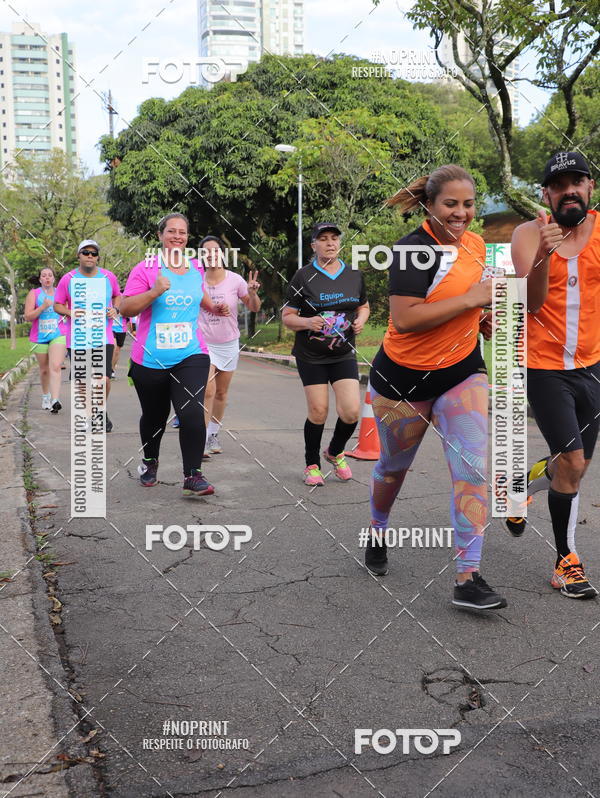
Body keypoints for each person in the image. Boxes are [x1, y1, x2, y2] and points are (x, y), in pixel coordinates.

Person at [364, 164, 506, 611]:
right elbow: (405, 318)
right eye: (451, 204)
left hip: (462, 373)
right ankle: (377, 527)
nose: (461, 213)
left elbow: (469, 306)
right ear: (429, 204)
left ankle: (469, 575)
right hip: (402, 381)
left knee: (472, 468)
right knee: (392, 468)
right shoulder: (411, 250)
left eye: (468, 204)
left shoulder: (477, 245)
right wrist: (472, 300)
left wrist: (482, 320)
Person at [508, 151, 598, 599]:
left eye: (576, 182)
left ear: (589, 188)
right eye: (558, 184)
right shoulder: (527, 234)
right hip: (545, 369)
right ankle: (566, 560)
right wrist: (545, 253)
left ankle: (522, 484)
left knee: (574, 468)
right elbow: (532, 303)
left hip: (592, 369)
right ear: (546, 193)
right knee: (574, 463)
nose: (568, 190)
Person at [119, 213, 229, 496]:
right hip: (150, 358)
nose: (177, 236)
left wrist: (214, 308)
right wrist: (154, 291)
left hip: (191, 354)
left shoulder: (194, 267)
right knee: (155, 417)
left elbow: (199, 294)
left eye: (182, 232)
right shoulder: (145, 269)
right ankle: (149, 461)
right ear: (160, 235)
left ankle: (193, 475)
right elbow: (127, 308)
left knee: (192, 413)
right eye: (171, 231)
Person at [282, 222, 370, 486]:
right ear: (314, 245)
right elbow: (287, 316)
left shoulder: (354, 275)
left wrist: (362, 320)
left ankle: (334, 450)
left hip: (343, 354)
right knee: (319, 411)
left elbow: (364, 306)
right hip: (311, 356)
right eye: (323, 239)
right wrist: (308, 323)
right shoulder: (303, 276)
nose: (330, 243)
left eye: (334, 238)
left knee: (351, 412)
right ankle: (312, 464)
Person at [198, 235, 261, 455]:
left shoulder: (235, 280)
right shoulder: (196, 279)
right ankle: (202, 439)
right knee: (208, 390)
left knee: (221, 394)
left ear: (222, 254)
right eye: (206, 252)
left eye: (215, 251)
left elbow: (253, 307)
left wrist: (252, 294)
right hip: (203, 343)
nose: (211, 256)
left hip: (228, 343)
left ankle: (213, 433)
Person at [54, 240, 121, 431]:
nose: (90, 256)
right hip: (78, 338)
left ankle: (99, 410)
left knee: (103, 380)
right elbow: (57, 304)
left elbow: (118, 295)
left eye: (93, 253)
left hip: (103, 337)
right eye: (85, 252)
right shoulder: (68, 279)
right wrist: (70, 312)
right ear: (79, 256)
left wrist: (114, 308)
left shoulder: (108, 277)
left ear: (98, 257)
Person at [24, 267, 66, 413]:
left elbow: (68, 310)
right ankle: (46, 396)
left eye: (50, 275)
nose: (47, 278)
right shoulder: (34, 294)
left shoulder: (61, 293)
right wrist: (42, 307)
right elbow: (28, 316)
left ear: (54, 279)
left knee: (55, 366)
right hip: (39, 337)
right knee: (44, 370)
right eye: (44, 276)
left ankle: (55, 399)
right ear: (40, 279)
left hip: (58, 334)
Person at [111, 310, 128, 378]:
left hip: (121, 329)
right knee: (113, 348)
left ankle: (112, 369)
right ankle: (107, 369)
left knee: (117, 351)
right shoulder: (109, 301)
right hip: (110, 328)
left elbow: (129, 315)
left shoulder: (125, 301)